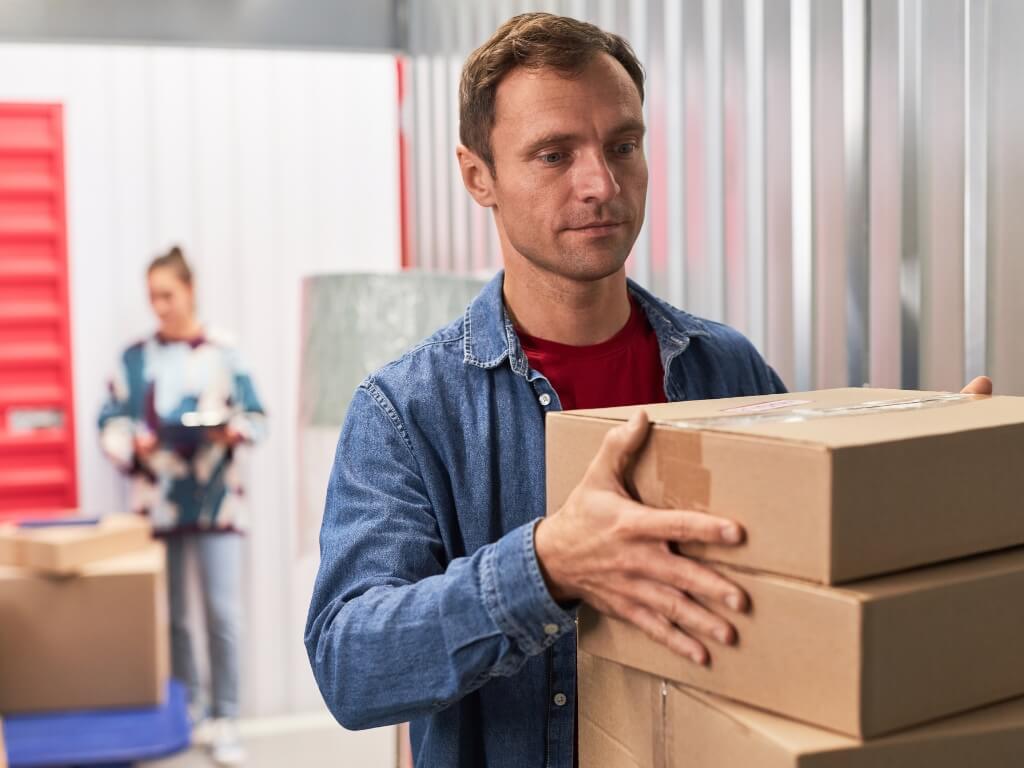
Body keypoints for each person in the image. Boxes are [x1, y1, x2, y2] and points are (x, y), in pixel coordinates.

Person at [305, 14, 992, 768]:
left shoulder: (725, 369)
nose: (600, 183)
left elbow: (807, 569)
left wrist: (933, 482)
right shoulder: (406, 412)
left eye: (622, 146)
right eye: (554, 154)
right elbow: (349, 664)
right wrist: (547, 566)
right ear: (479, 177)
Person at [99, 245, 265, 767]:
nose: (160, 306)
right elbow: (111, 422)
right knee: (173, 618)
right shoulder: (135, 357)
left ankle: (227, 717)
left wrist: (227, 430)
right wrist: (135, 444)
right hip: (161, 504)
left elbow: (256, 418)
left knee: (222, 613)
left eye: (167, 294)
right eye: (152, 297)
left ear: (190, 291)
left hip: (217, 503)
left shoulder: (224, 351)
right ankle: (189, 710)